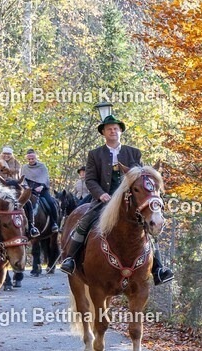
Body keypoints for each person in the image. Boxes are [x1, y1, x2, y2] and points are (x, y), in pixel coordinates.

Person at [59, 114, 173, 284]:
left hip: (128, 201)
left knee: (148, 227)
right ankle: (71, 260)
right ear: (103, 133)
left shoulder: (133, 153)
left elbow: (139, 178)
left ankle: (158, 268)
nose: (113, 131)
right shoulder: (95, 154)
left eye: (115, 128)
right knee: (84, 222)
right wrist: (101, 194)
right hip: (103, 199)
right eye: (109, 129)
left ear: (120, 131)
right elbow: (90, 179)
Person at [19, 148, 59, 233]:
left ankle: (54, 223)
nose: (31, 160)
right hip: (29, 190)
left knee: (50, 203)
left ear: (35, 158)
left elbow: (45, 178)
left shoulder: (42, 166)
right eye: (29, 159)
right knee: (22, 204)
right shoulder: (24, 167)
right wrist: (26, 186)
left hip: (42, 190)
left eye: (32, 158)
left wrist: (41, 186)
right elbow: (23, 179)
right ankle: (28, 226)